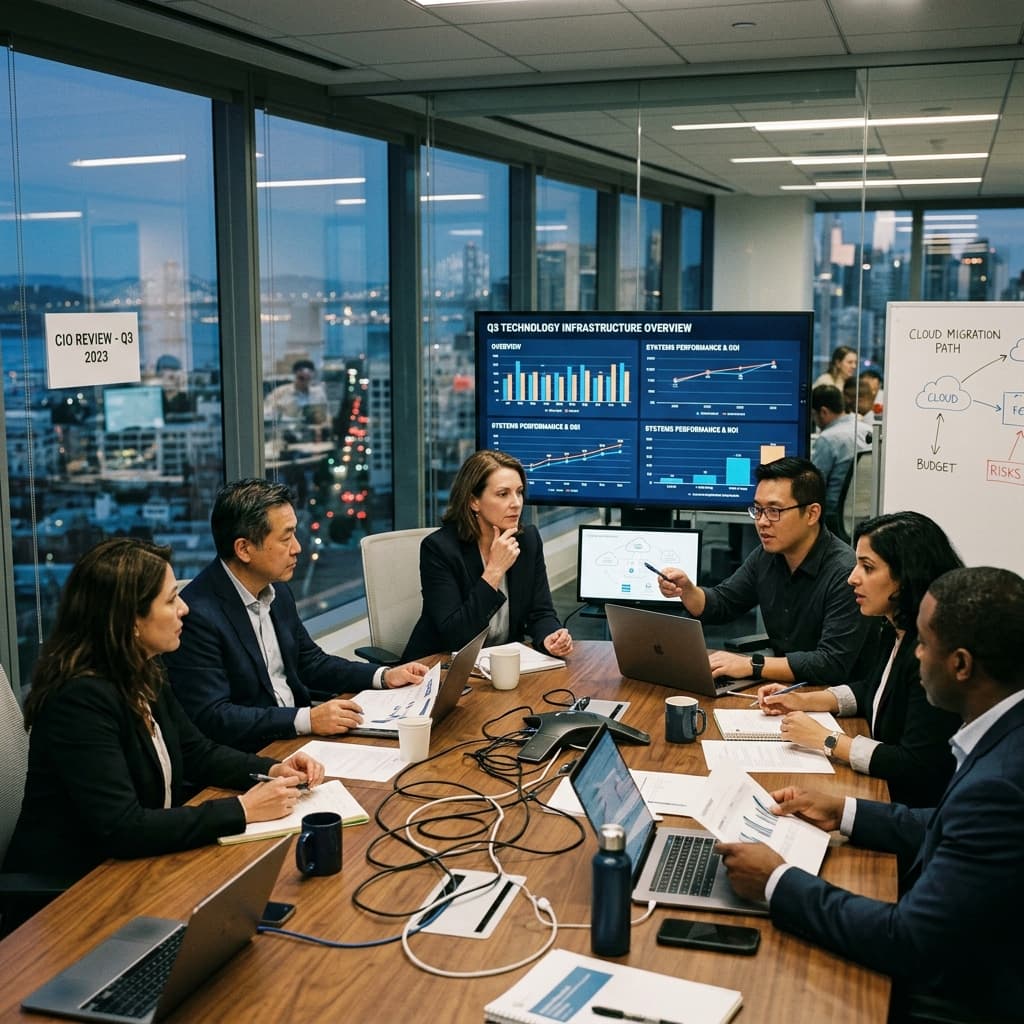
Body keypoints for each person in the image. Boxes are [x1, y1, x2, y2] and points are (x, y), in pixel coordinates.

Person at [716, 566, 1024, 1023]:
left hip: (963, 998)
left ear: (960, 665)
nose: (916, 655)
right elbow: (946, 823)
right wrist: (843, 810)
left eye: (924, 644)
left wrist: (776, 880)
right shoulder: (1006, 733)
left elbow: (908, 940)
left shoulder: (999, 784)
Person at [2, 538, 324, 886]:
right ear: (130, 619)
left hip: (143, 863)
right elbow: (123, 827)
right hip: (78, 890)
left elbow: (197, 752)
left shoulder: (142, 669)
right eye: (171, 600)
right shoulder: (79, 700)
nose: (184, 608)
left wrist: (272, 769)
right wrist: (243, 810)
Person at [165, 479, 428, 752]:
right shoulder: (197, 615)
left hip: (298, 739)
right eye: (285, 538)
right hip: (254, 753)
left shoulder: (276, 590)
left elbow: (311, 662)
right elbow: (214, 717)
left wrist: (384, 676)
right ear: (243, 549)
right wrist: (306, 720)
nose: (297, 548)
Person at [756, 511, 962, 807]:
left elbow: (916, 764)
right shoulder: (895, 627)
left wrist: (827, 740)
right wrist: (803, 700)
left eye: (867, 567)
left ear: (907, 576)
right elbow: (872, 689)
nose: (852, 578)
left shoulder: (930, 654)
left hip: (908, 810)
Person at [657, 457, 874, 684]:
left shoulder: (846, 573)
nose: (761, 521)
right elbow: (723, 603)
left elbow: (831, 664)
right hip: (781, 688)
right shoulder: (767, 556)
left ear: (812, 514)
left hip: (833, 695)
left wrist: (752, 665)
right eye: (758, 510)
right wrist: (688, 590)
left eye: (774, 511)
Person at [403, 450, 572, 661]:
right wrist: (494, 570)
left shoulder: (528, 540)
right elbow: (455, 636)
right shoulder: (439, 549)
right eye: (503, 494)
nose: (516, 503)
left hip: (503, 663)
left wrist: (550, 637)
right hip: (440, 665)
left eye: (519, 492)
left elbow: (541, 613)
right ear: (474, 501)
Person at [810, 384, 872, 524]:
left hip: (834, 518)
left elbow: (814, 485)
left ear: (823, 412)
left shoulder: (827, 439)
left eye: (813, 415)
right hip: (868, 513)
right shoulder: (868, 430)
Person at [263, 358, 329, 426]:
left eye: (308, 378)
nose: (304, 382)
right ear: (295, 375)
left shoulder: (319, 393)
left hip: (313, 428)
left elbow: (325, 414)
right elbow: (267, 412)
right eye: (301, 378)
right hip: (287, 428)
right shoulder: (280, 392)